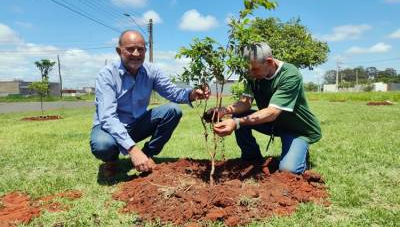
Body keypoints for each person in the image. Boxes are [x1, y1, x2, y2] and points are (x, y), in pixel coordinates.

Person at [90, 30, 210, 176]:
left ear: (145, 50)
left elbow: (172, 92)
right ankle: (112, 161)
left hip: (137, 124)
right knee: (103, 145)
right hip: (109, 128)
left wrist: (192, 94)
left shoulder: (152, 71)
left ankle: (147, 155)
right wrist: (133, 150)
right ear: (119, 51)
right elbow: (107, 117)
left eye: (140, 49)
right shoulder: (107, 75)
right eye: (130, 49)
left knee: (173, 110)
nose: (136, 54)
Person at [212, 42, 321, 174]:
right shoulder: (254, 75)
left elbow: (272, 112)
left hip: (296, 129)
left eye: (254, 69)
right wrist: (225, 110)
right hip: (273, 124)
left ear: (269, 62)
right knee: (238, 116)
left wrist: (236, 123)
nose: (251, 74)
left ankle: (300, 149)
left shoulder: (290, 75)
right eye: (248, 70)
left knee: (288, 170)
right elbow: (245, 103)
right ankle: (252, 158)